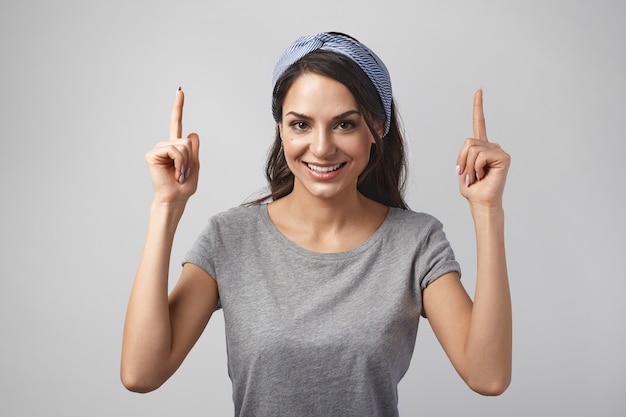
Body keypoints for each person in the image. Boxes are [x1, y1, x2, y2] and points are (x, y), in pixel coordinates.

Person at [121, 32, 512, 416]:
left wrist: (487, 209)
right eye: (301, 124)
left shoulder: (416, 242)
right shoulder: (230, 238)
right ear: (281, 129)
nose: (322, 147)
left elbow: (488, 376)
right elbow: (141, 373)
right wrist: (165, 207)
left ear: (377, 128)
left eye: (345, 124)